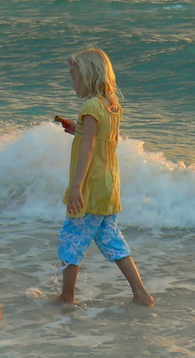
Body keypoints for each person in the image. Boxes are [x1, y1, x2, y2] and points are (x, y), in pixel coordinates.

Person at [55, 48, 153, 306]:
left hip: (90, 185)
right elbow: (106, 141)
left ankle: (67, 297)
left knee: (71, 238)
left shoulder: (89, 106)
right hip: (108, 184)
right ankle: (141, 293)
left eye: (74, 77)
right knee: (110, 238)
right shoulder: (111, 106)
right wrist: (77, 129)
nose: (72, 83)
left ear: (87, 76)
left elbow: (88, 149)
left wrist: (76, 187)